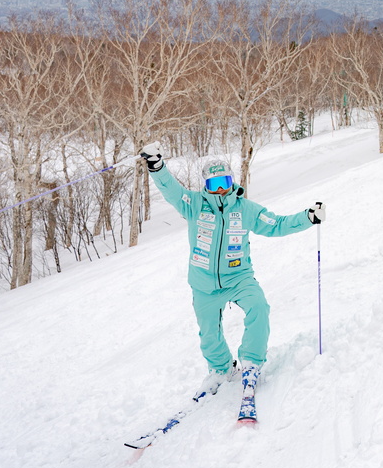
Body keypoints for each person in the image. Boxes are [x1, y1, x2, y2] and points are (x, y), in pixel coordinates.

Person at [138, 145, 324, 399]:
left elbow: (276, 224)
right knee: (209, 334)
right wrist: (157, 167)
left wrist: (308, 217)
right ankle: (221, 370)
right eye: (214, 184)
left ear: (232, 181)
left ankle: (251, 363)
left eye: (224, 182)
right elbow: (171, 191)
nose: (220, 189)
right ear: (206, 185)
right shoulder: (194, 204)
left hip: (239, 278)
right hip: (203, 283)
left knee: (259, 307)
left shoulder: (246, 209)